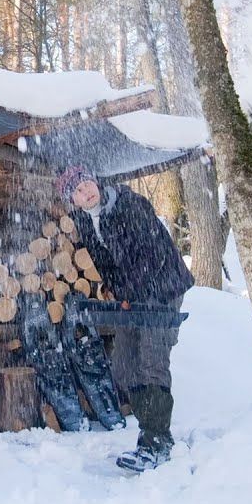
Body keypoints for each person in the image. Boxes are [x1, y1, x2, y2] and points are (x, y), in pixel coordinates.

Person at [56, 165, 194, 472]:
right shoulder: (84, 219)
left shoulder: (130, 204)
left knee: (151, 360)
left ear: (95, 180)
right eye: (77, 191)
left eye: (86, 183)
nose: (85, 192)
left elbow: (151, 255)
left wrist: (132, 292)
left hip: (162, 287)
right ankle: (151, 432)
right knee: (124, 365)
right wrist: (118, 291)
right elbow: (105, 263)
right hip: (133, 294)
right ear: (73, 201)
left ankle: (157, 442)